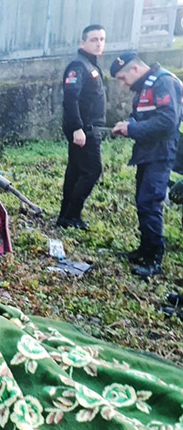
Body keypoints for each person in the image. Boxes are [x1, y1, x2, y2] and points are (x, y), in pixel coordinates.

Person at [111, 52, 183, 278]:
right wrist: (128, 125)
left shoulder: (163, 81)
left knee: (150, 202)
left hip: (162, 153)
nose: (123, 84)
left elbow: (167, 121)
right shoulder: (146, 87)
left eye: (123, 78)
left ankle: (154, 259)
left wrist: (131, 129)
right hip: (147, 152)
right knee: (142, 202)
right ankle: (144, 249)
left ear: (134, 69)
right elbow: (146, 119)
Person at [57, 24, 106, 230]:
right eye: (94, 39)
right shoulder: (79, 66)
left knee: (76, 171)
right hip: (84, 130)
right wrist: (77, 127)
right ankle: (71, 215)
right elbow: (71, 98)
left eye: (102, 39)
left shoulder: (90, 65)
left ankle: (65, 217)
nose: (98, 43)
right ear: (82, 43)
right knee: (92, 170)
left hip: (89, 129)